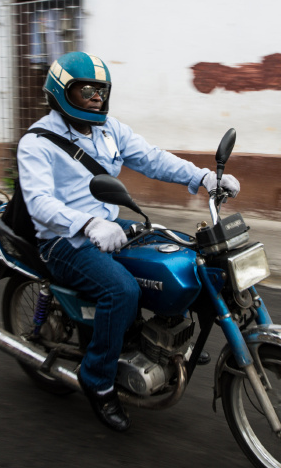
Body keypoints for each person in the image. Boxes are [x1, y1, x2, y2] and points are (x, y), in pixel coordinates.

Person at [18, 52, 239, 432]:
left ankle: (168, 340)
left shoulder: (109, 130)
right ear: (60, 93)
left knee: (185, 255)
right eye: (85, 91)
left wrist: (203, 178)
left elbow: (152, 159)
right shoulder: (37, 143)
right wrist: (86, 223)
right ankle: (98, 380)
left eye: (101, 91)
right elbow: (39, 203)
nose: (96, 99)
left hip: (107, 224)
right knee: (120, 290)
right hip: (62, 239)